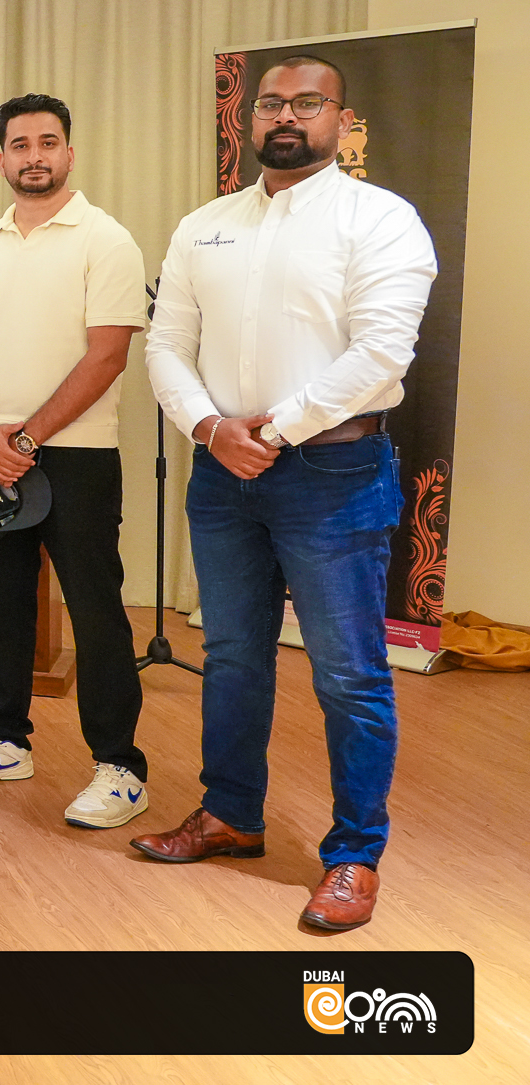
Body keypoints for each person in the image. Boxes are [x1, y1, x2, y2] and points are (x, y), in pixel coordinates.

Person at [135, 56, 436, 931]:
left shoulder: (381, 219)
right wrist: (209, 427)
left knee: (348, 673)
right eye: (271, 102)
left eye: (308, 102)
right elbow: (166, 344)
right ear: (249, 116)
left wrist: (272, 430)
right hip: (222, 472)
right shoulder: (204, 225)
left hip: (334, 474)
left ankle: (354, 854)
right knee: (232, 655)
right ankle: (231, 813)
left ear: (343, 119)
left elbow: (382, 353)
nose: (286, 116)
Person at [0, 93, 154, 830]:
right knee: (0, 609)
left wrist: (24, 441)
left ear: (69, 153)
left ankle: (120, 767)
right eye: (21, 144)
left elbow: (107, 355)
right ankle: (4, 739)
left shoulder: (106, 240)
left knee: (95, 613)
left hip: (76, 458)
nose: (35, 156)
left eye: (48, 142)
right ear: (2, 158)